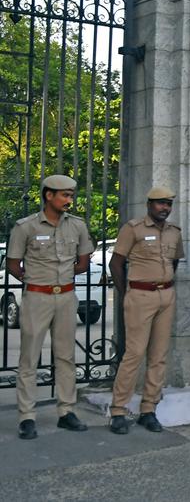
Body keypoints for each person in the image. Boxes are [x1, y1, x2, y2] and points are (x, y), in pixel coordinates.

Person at [8, 175, 95, 440]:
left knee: (66, 356)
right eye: (64, 195)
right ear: (48, 196)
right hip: (37, 297)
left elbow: (83, 262)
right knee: (29, 357)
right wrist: (37, 281)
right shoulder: (26, 227)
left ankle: (66, 411)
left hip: (66, 297)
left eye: (71, 195)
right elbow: (13, 265)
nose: (69, 200)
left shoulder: (77, 226)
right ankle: (27, 417)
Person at [108, 186, 183, 435]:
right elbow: (116, 263)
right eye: (161, 203)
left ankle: (148, 409)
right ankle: (118, 410)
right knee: (134, 354)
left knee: (159, 355)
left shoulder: (174, 232)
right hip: (140, 295)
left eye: (168, 204)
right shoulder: (133, 228)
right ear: (149, 204)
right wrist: (125, 293)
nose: (165, 208)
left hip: (166, 295)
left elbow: (174, 262)